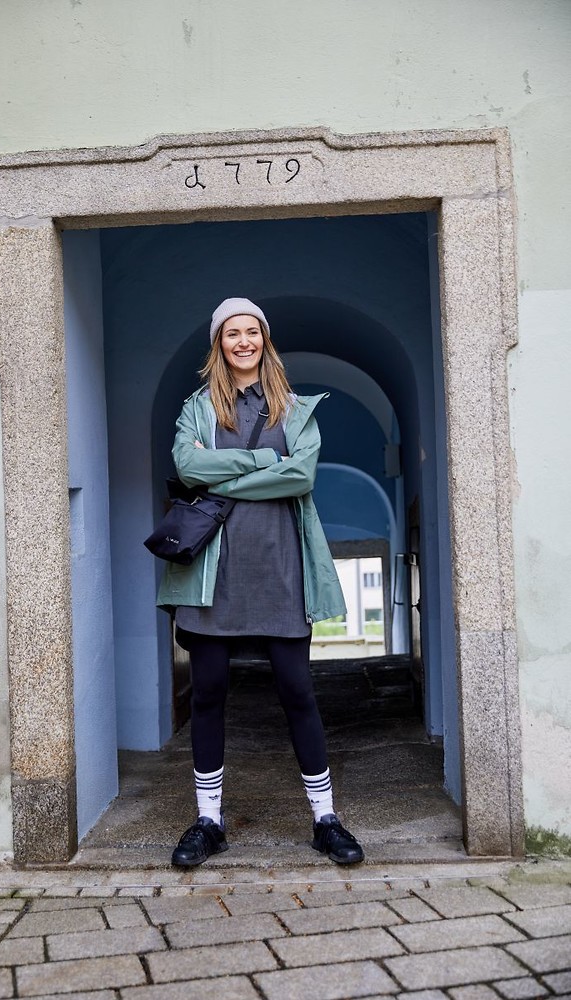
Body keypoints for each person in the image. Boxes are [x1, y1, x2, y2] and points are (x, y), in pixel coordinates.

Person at [157, 297, 364, 868]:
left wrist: (232, 467)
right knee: (208, 694)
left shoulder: (295, 409)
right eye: (231, 334)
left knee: (298, 691)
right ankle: (209, 821)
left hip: (280, 570)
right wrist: (260, 466)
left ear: (265, 341)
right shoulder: (197, 409)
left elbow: (301, 477)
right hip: (212, 575)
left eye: (252, 332)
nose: (242, 341)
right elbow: (188, 467)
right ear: (218, 344)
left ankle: (325, 819)